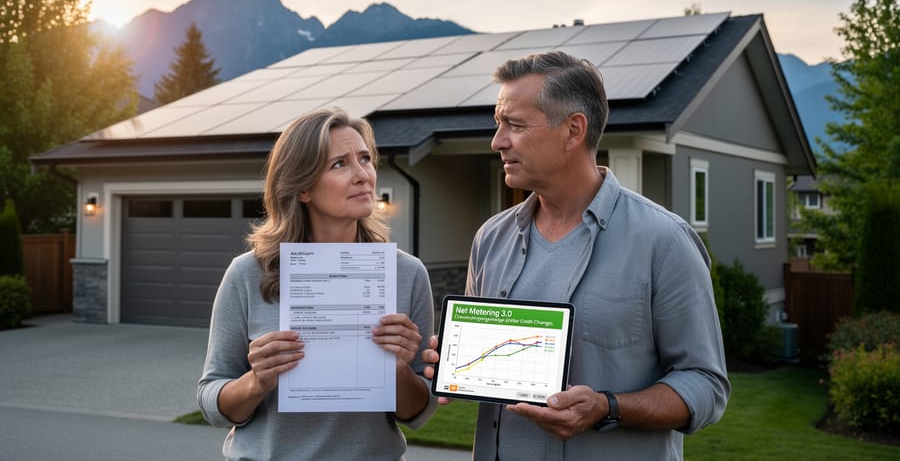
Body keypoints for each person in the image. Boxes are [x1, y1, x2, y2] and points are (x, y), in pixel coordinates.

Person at [423, 51, 729, 460]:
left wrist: (607, 407)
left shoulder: (664, 240)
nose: (497, 141)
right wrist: (456, 366)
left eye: (514, 124)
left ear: (572, 131)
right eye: (498, 124)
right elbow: (490, 368)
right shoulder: (490, 239)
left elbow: (706, 385)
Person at [198, 108, 437, 460]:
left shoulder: (407, 273)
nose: (362, 175)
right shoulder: (248, 273)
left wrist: (397, 368)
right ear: (304, 188)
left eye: (365, 159)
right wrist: (258, 381)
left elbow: (417, 413)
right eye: (340, 164)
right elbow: (210, 400)